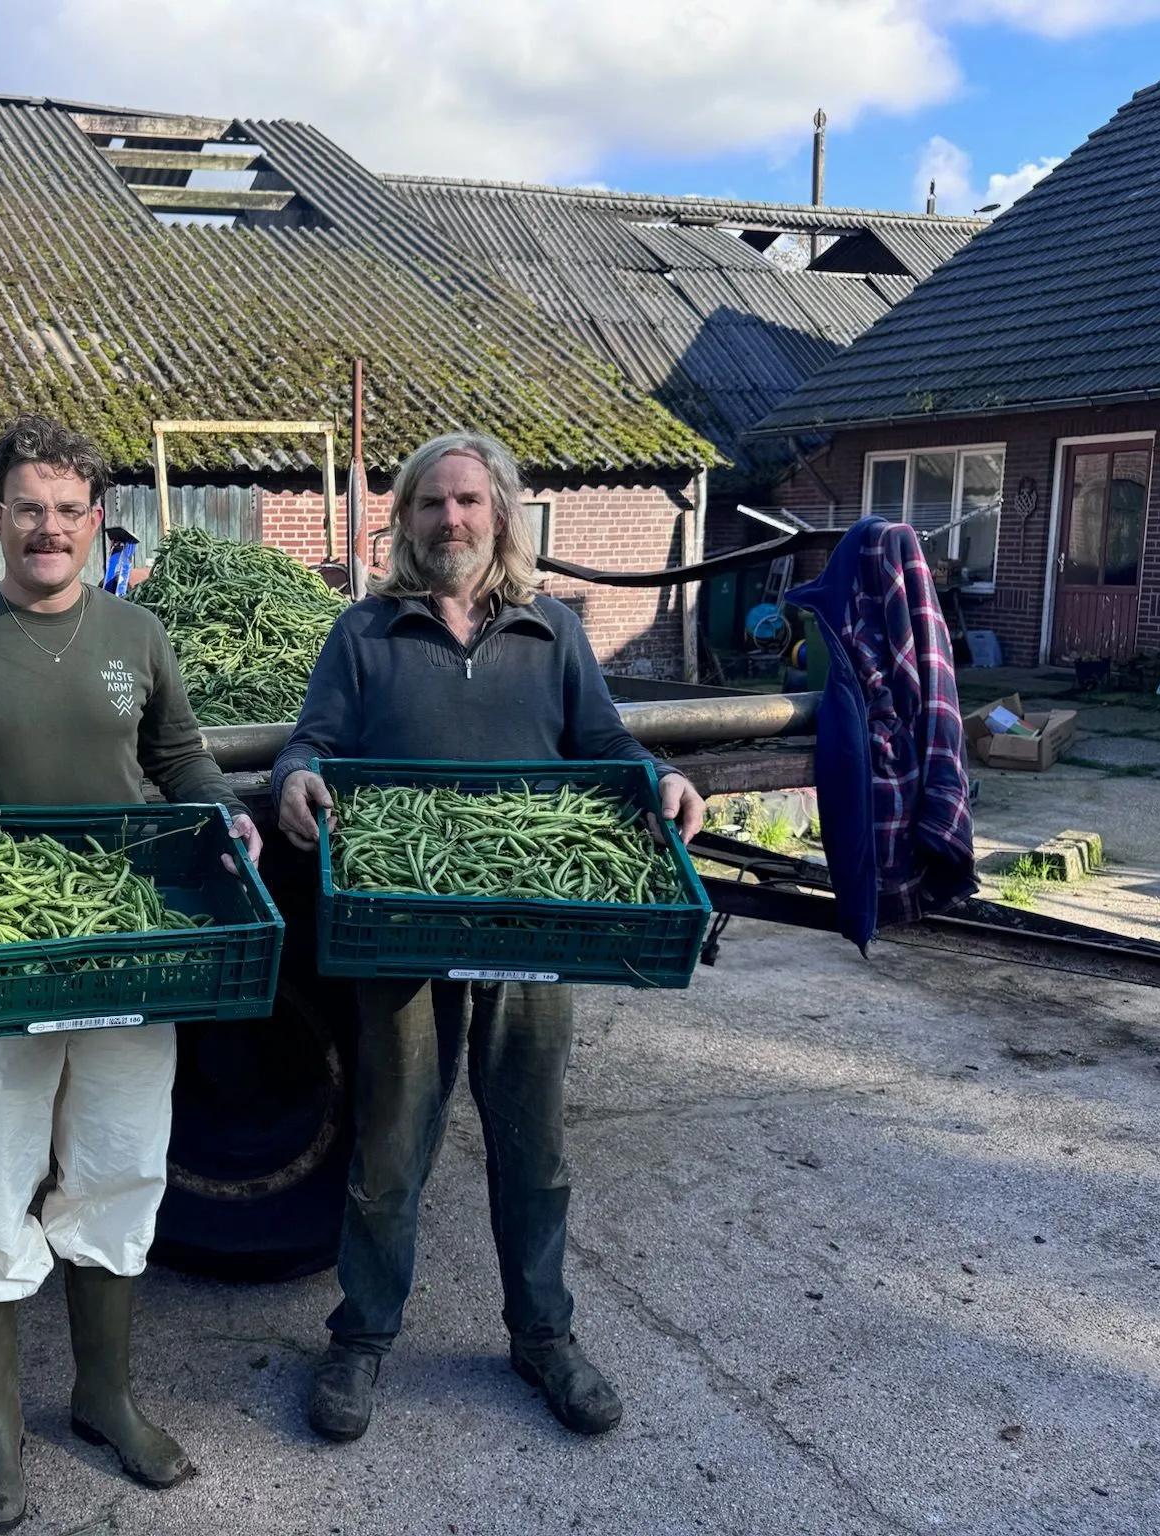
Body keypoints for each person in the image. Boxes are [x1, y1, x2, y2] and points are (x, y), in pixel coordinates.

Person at [0, 414, 261, 1532]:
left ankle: (103, 1396)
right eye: (29, 509)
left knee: (121, 1164)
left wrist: (224, 814)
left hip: (124, 941)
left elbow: (177, 757)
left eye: (69, 511)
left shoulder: (138, 633)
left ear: (96, 520)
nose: (49, 529)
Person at [271, 431, 705, 1445]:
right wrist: (296, 777)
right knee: (389, 1143)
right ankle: (361, 1337)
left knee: (532, 1144)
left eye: (468, 500)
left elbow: (605, 747)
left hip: (530, 919)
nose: (451, 519)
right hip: (400, 919)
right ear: (405, 519)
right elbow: (313, 739)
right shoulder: (364, 631)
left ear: (500, 512)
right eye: (431, 503)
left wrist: (663, 778)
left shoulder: (553, 632)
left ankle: (542, 1335)